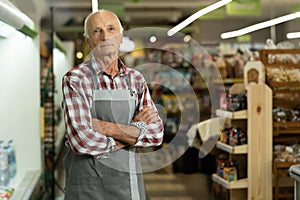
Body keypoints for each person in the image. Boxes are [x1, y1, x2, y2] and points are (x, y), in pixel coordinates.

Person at [61, 9, 164, 200]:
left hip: (128, 184)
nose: (105, 36)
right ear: (88, 41)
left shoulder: (136, 79)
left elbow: (156, 134)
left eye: (111, 29)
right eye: (97, 31)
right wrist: (133, 131)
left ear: (121, 36)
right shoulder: (76, 79)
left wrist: (106, 128)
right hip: (87, 187)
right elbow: (82, 140)